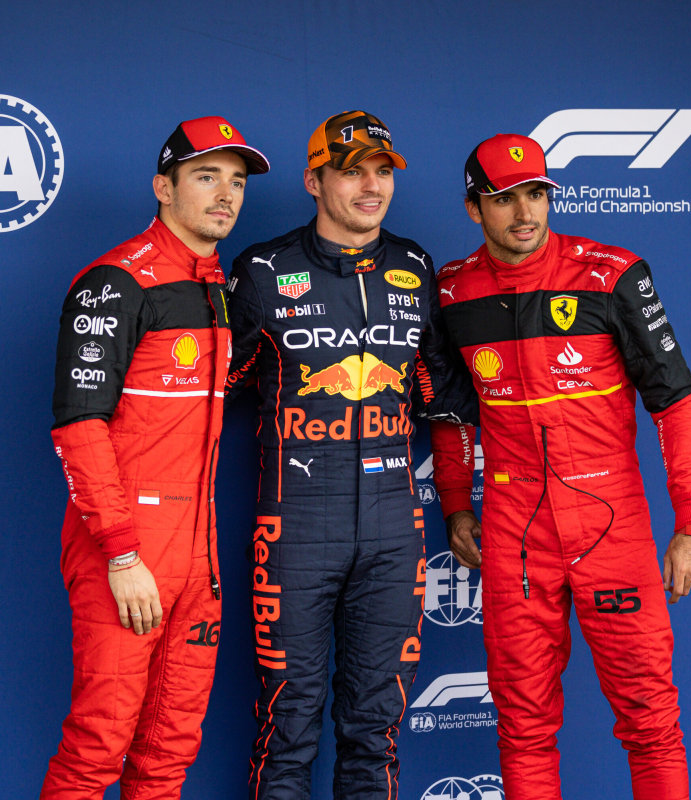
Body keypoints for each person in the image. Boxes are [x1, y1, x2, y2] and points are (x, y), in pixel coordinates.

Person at [430, 133, 691, 800]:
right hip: (514, 532)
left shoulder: (612, 274)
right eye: (504, 199)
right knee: (522, 726)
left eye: (536, 194)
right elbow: (451, 415)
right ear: (474, 208)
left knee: (651, 720)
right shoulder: (452, 292)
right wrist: (456, 504)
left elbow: (675, 401)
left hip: (611, 524)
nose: (525, 212)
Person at [225, 110, 477, 800]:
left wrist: (459, 506)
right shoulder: (264, 271)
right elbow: (205, 393)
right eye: (352, 171)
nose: (372, 186)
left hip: (395, 527)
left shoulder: (414, 266)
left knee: (376, 729)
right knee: (287, 726)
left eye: (382, 172)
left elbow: (446, 401)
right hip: (297, 524)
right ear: (314, 181)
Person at [40, 116, 268, 800]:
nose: (225, 195)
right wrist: (120, 553)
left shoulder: (218, 290)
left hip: (199, 553)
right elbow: (79, 426)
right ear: (163, 187)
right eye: (206, 177)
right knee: (97, 746)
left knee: (169, 750)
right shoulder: (114, 282)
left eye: (236, 182)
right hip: (127, 547)